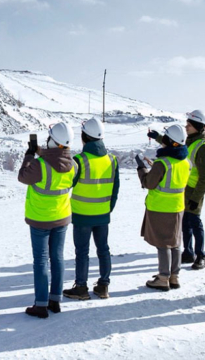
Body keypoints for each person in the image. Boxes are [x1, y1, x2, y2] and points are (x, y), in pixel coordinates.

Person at [18, 122, 77, 318]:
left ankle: (40, 305)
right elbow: (57, 160)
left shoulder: (38, 165)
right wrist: (42, 152)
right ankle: (55, 300)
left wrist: (29, 155)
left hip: (40, 219)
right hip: (61, 217)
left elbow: (22, 176)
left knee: (41, 261)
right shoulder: (74, 165)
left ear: (53, 140)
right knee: (58, 258)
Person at [63, 118, 120, 301]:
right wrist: (107, 209)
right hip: (102, 214)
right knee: (103, 250)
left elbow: (68, 184)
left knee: (82, 252)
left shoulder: (79, 160)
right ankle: (103, 286)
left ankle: (81, 288)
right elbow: (115, 189)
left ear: (84, 137)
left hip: (81, 215)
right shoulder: (112, 160)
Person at [149, 110, 205, 270]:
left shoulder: (204, 147)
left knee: (195, 222)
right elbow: (172, 143)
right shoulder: (188, 141)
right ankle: (188, 251)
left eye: (189, 125)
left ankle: (200, 256)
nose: (186, 127)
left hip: (195, 191)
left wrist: (196, 198)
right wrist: (157, 137)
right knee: (185, 223)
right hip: (184, 188)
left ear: (198, 127)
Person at [137, 124, 190, 291]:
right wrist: (154, 166)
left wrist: (142, 169)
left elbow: (149, 183)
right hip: (177, 206)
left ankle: (163, 277)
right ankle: (174, 276)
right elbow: (170, 176)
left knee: (163, 244)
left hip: (160, 207)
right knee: (175, 242)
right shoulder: (184, 161)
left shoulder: (163, 163)